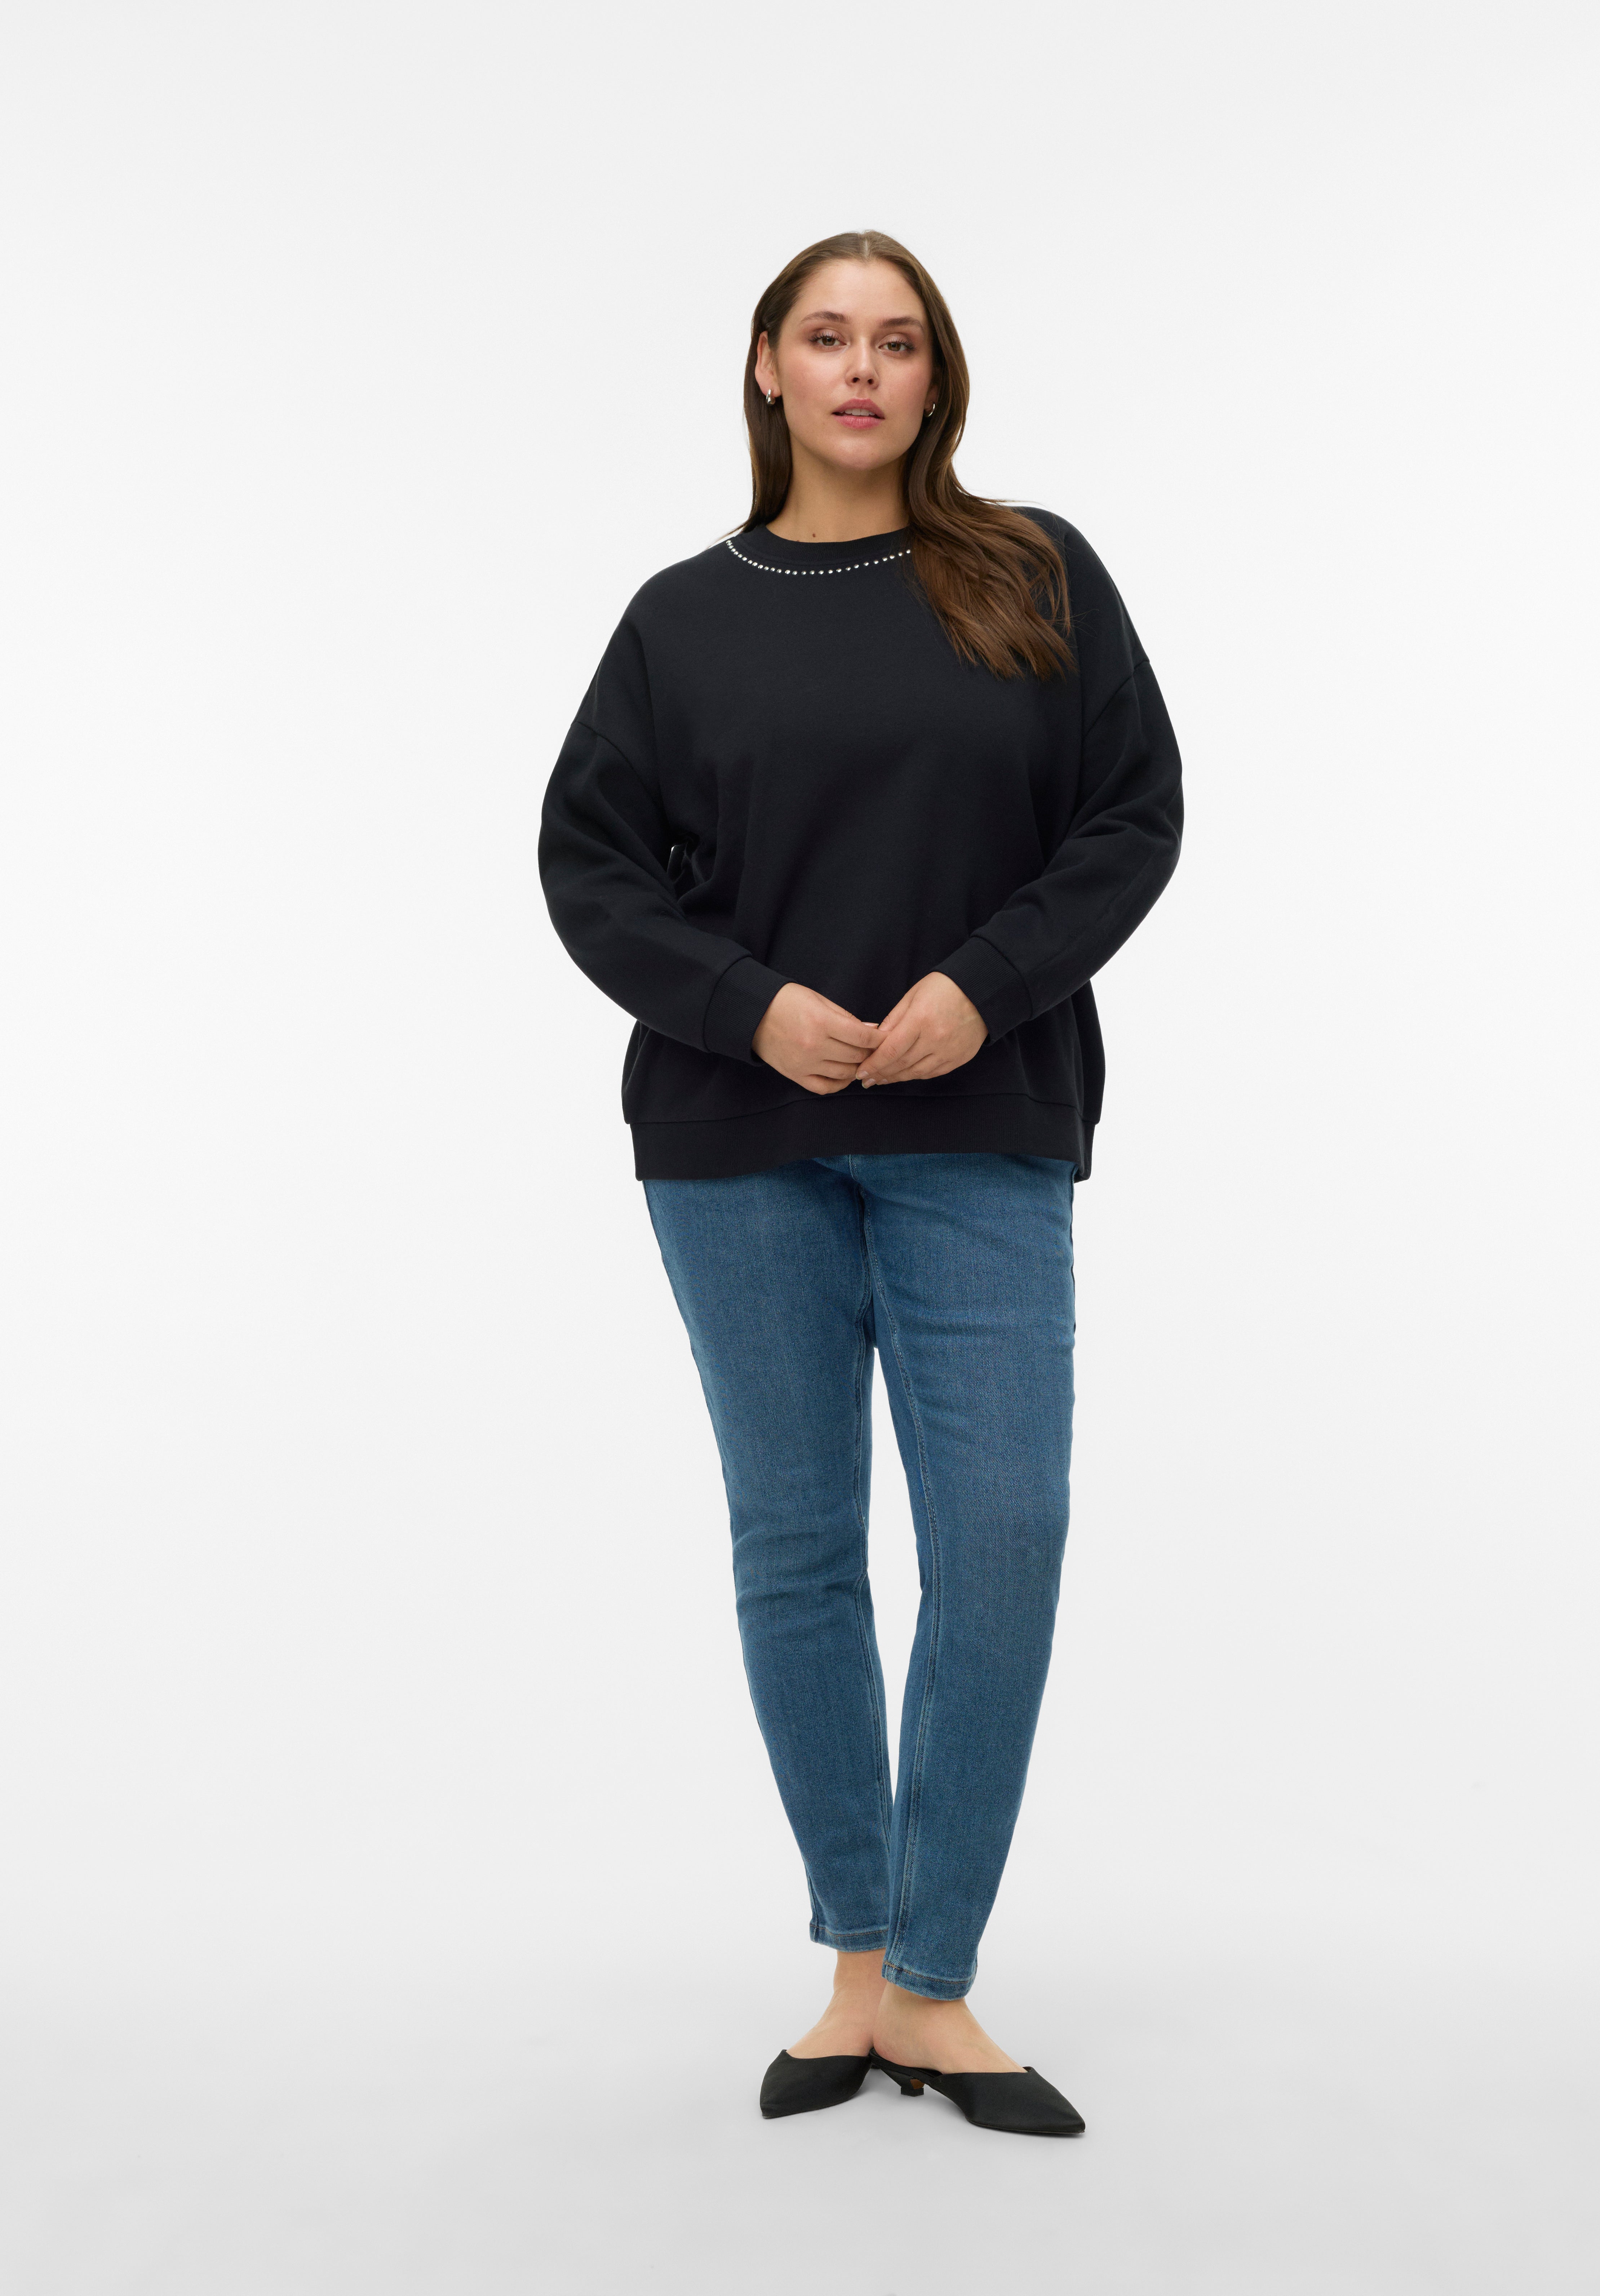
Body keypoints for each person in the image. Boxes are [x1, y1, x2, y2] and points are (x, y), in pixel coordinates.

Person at [538, 230, 1182, 2137]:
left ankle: (937, 1981)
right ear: (767, 367)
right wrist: (751, 1006)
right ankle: (859, 1963)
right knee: (800, 1548)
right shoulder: (680, 619)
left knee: (1002, 1535)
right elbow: (589, 866)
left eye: (898, 341)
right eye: (826, 336)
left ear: (935, 376)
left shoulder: (1032, 573)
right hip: (738, 1141)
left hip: (982, 1127)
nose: (861, 369)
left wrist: (983, 985)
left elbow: (1132, 816)